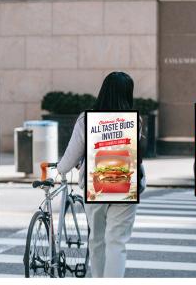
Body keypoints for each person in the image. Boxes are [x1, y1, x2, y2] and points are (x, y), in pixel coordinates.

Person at [57, 71, 146, 278]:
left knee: (97, 240)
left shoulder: (86, 119)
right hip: (126, 185)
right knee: (117, 242)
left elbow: (71, 156)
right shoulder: (135, 120)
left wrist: (60, 169)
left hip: (95, 186)